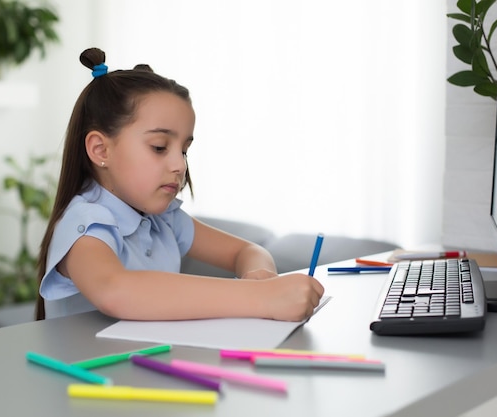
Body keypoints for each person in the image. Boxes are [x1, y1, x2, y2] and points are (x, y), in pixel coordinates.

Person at [35, 47, 324, 322]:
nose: (180, 165)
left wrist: (260, 277)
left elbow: (247, 251)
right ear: (101, 150)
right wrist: (258, 297)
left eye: (184, 150)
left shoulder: (164, 219)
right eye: (160, 147)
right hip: (88, 375)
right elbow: (116, 291)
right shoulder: (85, 223)